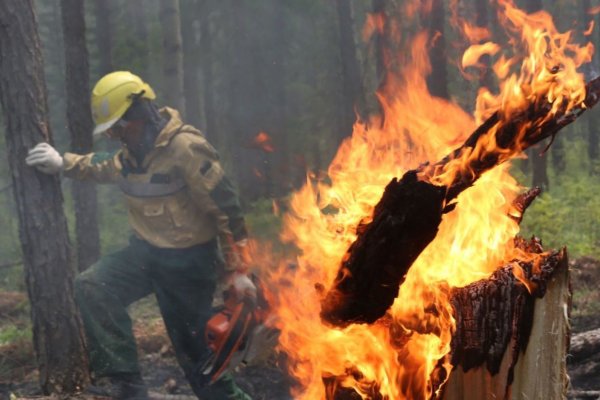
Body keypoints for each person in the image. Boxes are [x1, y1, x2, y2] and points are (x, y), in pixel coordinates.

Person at [25, 71, 255, 400]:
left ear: (140, 114)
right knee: (93, 285)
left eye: (119, 126)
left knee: (203, 368)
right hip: (146, 255)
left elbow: (227, 210)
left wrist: (239, 270)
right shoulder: (132, 153)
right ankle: (127, 386)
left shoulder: (186, 148)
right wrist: (62, 162)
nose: (115, 134)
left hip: (189, 266)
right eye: (111, 129)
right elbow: (103, 166)